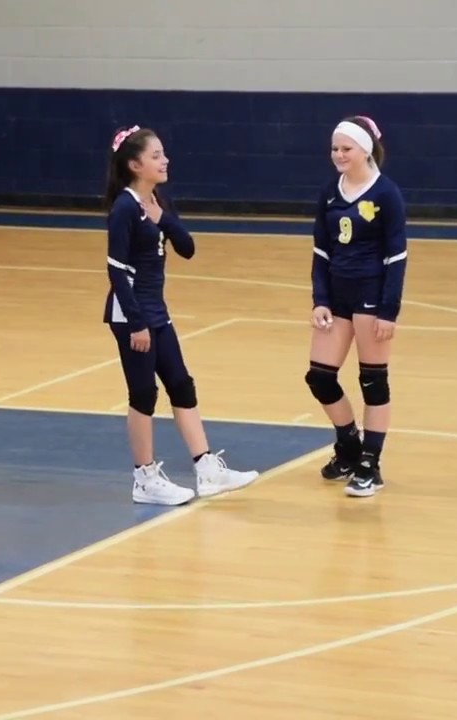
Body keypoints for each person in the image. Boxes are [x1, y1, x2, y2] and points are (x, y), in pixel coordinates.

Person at [102, 125, 259, 506]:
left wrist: (163, 219)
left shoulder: (157, 201)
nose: (165, 160)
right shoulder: (123, 207)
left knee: (182, 384)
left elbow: (187, 248)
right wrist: (136, 322)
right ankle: (144, 478)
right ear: (135, 164)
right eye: (156, 156)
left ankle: (207, 469)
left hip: (157, 310)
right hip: (132, 314)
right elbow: (116, 269)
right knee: (143, 394)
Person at [305, 116, 408, 498]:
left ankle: (370, 463)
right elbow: (320, 251)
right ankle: (348, 445)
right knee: (319, 376)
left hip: (371, 296)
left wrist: (388, 311)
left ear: (365, 150)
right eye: (334, 148)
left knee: (373, 381)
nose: (338, 155)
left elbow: (397, 256)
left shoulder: (386, 194)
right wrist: (320, 299)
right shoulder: (329, 192)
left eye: (346, 148)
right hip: (337, 297)